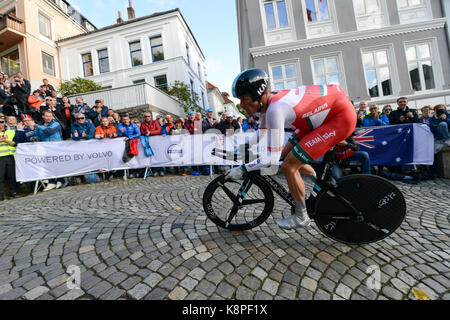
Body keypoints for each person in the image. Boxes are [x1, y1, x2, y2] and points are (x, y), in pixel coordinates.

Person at [227, 68, 356, 230]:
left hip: (338, 117)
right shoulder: (268, 102)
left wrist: (242, 169)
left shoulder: (275, 109)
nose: (241, 104)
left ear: (258, 96)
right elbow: (261, 132)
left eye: (244, 99)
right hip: (316, 118)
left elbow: (271, 160)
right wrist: (240, 147)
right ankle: (320, 186)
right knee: (287, 155)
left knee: (289, 165)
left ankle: (301, 217)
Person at [34, 110, 64, 191]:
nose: (48, 118)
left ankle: (60, 180)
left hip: (57, 148)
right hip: (46, 148)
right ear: (43, 116)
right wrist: (35, 139)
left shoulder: (56, 124)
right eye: (47, 116)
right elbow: (37, 136)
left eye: (50, 116)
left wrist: (37, 126)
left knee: (58, 164)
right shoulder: (40, 126)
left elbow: (49, 131)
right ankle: (51, 182)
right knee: (48, 164)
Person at [0, 116, 24, 200]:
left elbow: (15, 143)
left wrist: (5, 141)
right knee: (1, 177)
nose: (1, 124)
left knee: (12, 176)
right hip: (1, 158)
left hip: (10, 156)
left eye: (2, 122)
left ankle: (13, 192)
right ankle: (1, 196)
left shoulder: (11, 132)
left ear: (5, 123)